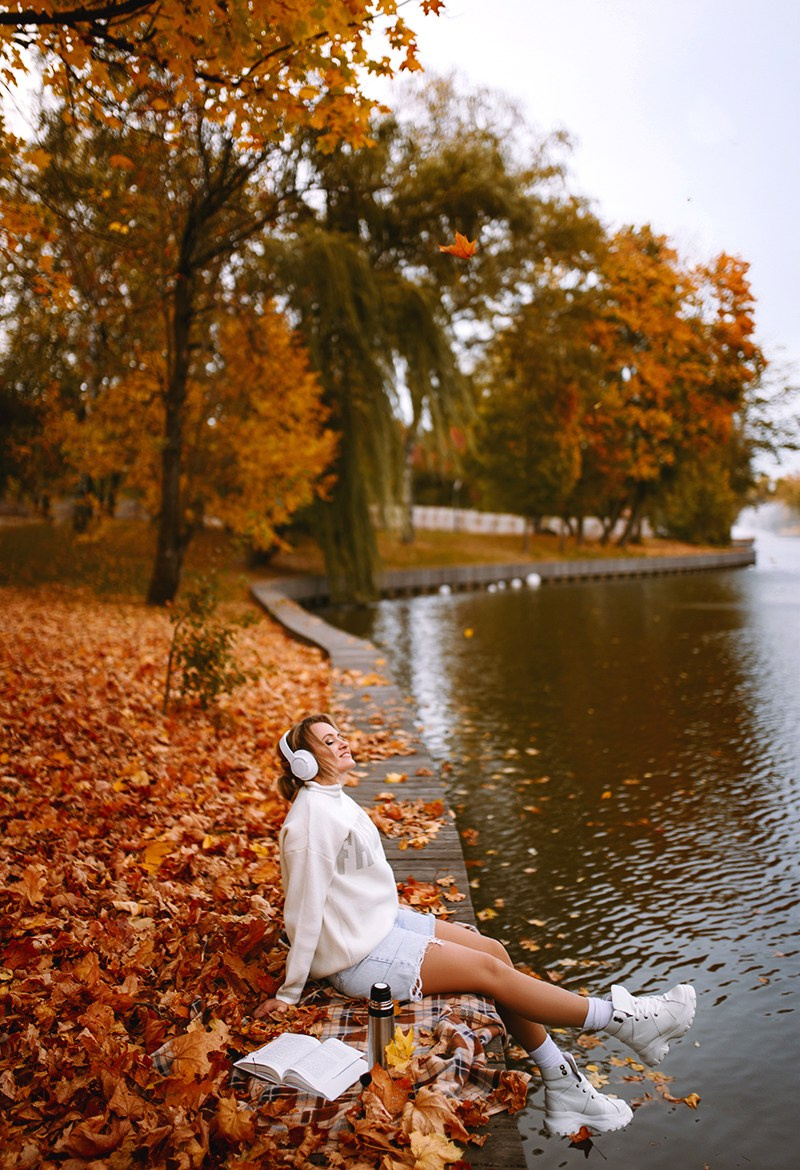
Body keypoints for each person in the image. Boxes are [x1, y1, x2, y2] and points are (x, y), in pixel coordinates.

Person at [256, 713, 697, 1137]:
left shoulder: (332, 799)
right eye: (329, 742)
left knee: (493, 950)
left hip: (381, 924)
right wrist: (289, 992)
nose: (343, 742)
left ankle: (563, 1083)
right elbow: (303, 914)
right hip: (359, 956)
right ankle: (621, 1018)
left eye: (338, 735)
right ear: (304, 763)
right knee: (490, 975)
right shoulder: (309, 822)